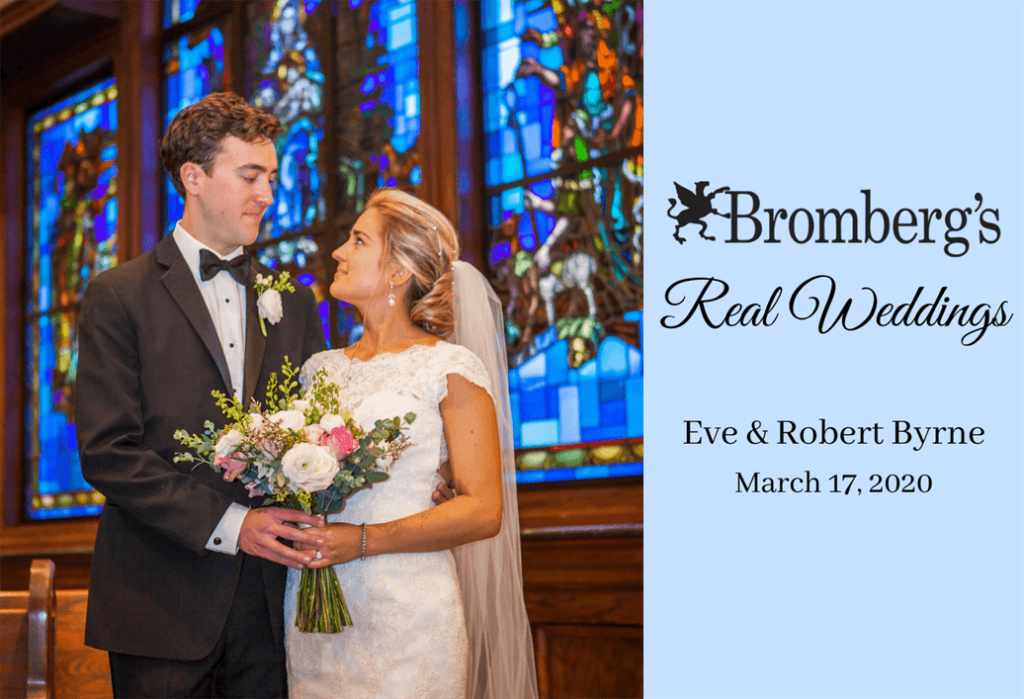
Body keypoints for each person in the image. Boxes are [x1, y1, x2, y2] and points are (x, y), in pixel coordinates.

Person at [76, 91, 328, 699]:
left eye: (271, 176)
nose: (268, 194)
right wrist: (232, 524)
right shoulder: (118, 294)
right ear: (193, 177)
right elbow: (108, 451)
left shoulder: (292, 300)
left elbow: (325, 425)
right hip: (159, 599)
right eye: (250, 176)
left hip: (273, 603)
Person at [282, 189, 538, 699]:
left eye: (358, 241)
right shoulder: (318, 370)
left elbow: (484, 510)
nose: (338, 252)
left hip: (406, 609)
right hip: (315, 609)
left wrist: (361, 540)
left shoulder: (448, 367)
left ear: (398, 271)